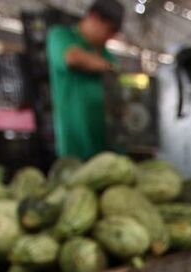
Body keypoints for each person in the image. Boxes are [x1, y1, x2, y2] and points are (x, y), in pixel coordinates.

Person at [47, 0, 123, 160]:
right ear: (94, 17)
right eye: (109, 30)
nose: (111, 37)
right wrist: (109, 68)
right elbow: (72, 58)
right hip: (76, 146)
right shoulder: (62, 37)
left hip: (108, 148)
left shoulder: (107, 55)